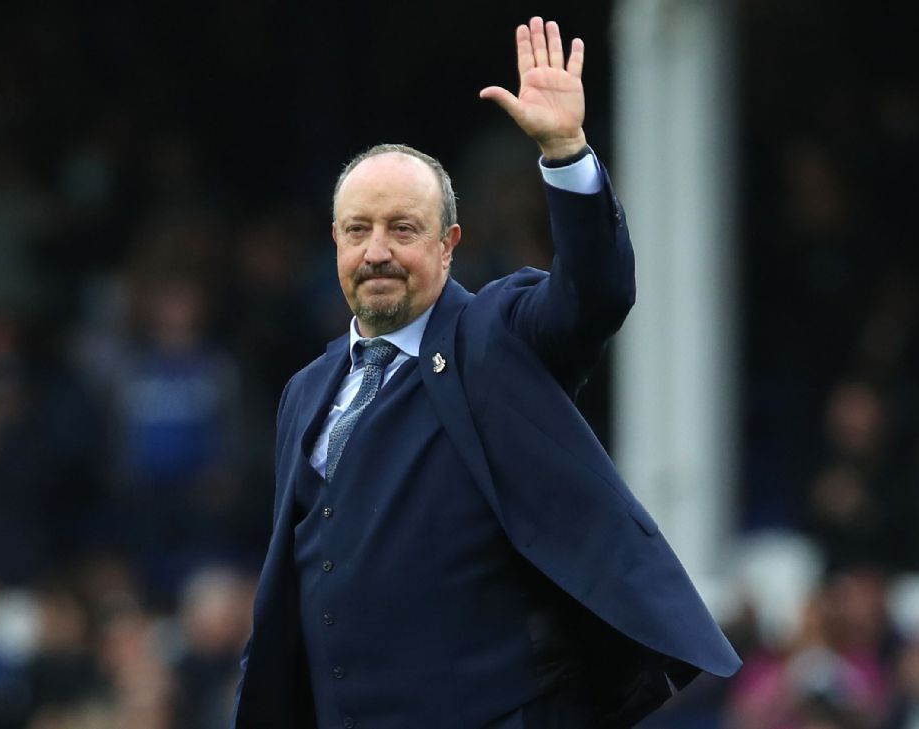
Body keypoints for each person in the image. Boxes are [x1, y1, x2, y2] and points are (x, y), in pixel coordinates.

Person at [233, 17, 739, 728]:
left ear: (449, 246)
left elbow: (595, 294)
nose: (377, 250)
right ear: (335, 244)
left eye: (403, 229)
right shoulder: (306, 390)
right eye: (358, 229)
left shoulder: (495, 333)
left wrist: (566, 153)